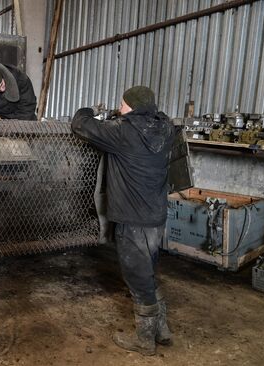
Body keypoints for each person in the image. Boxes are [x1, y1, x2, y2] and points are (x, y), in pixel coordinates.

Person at [71, 86, 175, 356]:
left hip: (132, 217)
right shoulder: (166, 127)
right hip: (156, 215)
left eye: (122, 103)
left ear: (131, 105)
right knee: (149, 270)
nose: (120, 107)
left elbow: (80, 125)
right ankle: (162, 330)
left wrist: (90, 110)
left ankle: (144, 340)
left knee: (137, 277)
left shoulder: (124, 132)